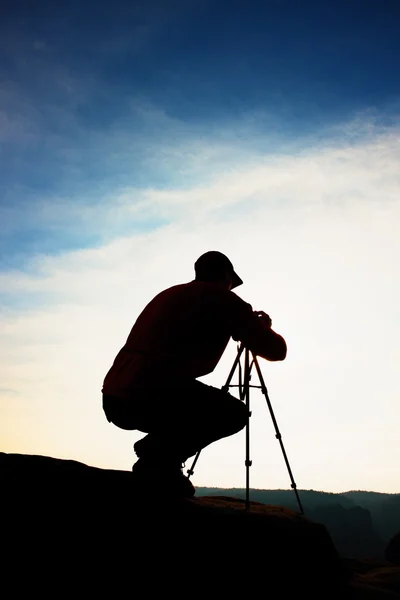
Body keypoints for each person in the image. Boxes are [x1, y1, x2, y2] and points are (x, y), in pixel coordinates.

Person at [102, 251, 287, 497]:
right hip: (153, 392)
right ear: (224, 276)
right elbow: (276, 351)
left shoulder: (168, 295)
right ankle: (157, 460)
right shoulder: (225, 300)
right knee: (233, 413)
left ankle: (156, 457)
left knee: (190, 406)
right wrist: (263, 329)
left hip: (115, 396)